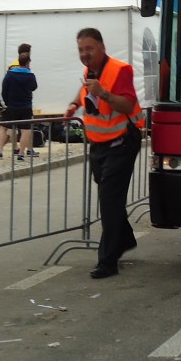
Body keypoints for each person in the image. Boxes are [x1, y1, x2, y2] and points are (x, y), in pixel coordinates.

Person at [64, 27, 143, 280]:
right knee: (111, 200)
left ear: (102, 47)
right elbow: (87, 87)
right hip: (99, 145)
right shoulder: (91, 70)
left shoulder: (120, 70)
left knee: (108, 201)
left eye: (89, 48)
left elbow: (128, 105)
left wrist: (104, 93)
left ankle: (107, 261)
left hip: (122, 142)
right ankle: (125, 238)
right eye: (81, 50)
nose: (85, 54)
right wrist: (75, 103)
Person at [0, 52, 38, 161]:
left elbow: (4, 90)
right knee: (25, 130)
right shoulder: (30, 75)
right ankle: (21, 153)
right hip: (26, 106)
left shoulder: (10, 75)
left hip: (12, 106)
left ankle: (0, 151)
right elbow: (34, 87)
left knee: (4, 128)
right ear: (28, 62)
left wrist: (7, 102)